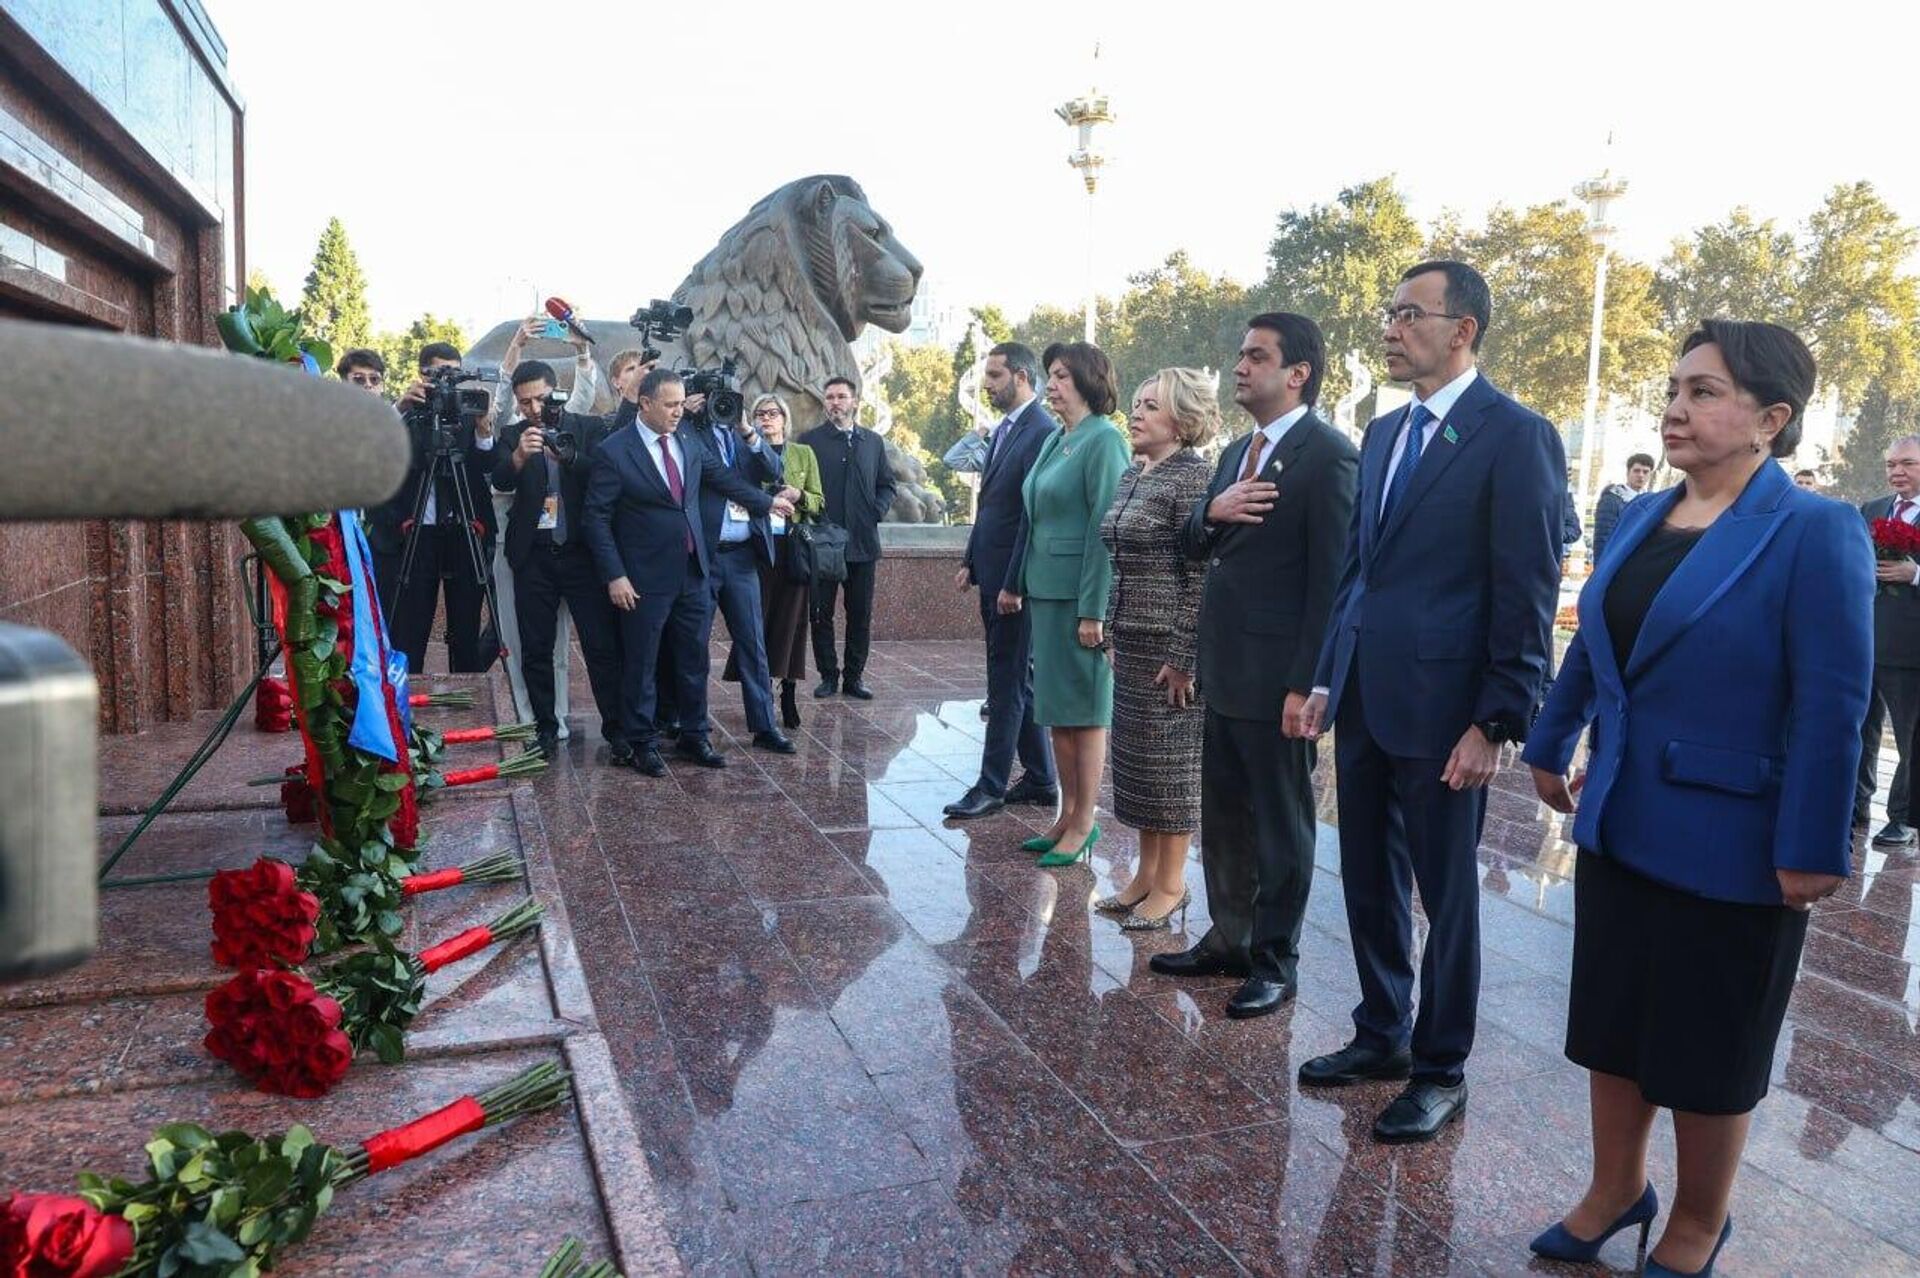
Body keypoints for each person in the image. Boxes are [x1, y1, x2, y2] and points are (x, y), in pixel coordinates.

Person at [1523, 320, 1867, 1278]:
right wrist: (1551, 742)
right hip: (1622, 819)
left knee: (1711, 1047)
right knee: (1613, 1024)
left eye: (1706, 391)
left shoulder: (1812, 529)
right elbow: (1593, 645)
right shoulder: (1640, 516)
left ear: (1771, 417)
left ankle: (1699, 1221)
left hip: (1740, 839)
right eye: (1675, 387)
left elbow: (1834, 703)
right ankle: (1614, 1192)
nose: (1677, 407)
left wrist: (1814, 844)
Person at [1297, 261, 1564, 1143]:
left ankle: (1441, 1065)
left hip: (1451, 712)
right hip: (1370, 696)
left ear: (1463, 330)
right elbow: (1357, 575)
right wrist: (1329, 676)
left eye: (1411, 313)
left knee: (1447, 894)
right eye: (1389, 311)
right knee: (1368, 876)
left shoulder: (1513, 434)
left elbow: (1525, 587)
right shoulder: (1380, 432)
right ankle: (1382, 1034)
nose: (1391, 326)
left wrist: (1498, 720)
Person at [1152, 315, 1358, 1018]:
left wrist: (1309, 683)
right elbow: (1191, 545)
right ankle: (1230, 937)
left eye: (1255, 356)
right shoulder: (1237, 450)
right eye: (1239, 354)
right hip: (1225, 667)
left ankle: (1276, 960)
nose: (1239, 367)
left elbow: (1332, 582)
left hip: (1280, 682)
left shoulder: (1329, 455)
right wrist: (1214, 508)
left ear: (1296, 372)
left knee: (1282, 823)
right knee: (1227, 817)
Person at [581, 368, 792, 776]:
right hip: (642, 580)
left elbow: (724, 479)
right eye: (671, 405)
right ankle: (642, 741)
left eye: (681, 403)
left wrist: (767, 503)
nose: (680, 412)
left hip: (695, 571)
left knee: (694, 659)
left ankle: (696, 734)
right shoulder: (615, 450)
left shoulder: (687, 441)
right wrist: (615, 575)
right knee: (641, 663)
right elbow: (596, 519)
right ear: (645, 404)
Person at [1091, 368, 1217, 929]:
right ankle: (1143, 875)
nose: (1135, 415)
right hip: (1132, 641)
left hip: (1172, 647)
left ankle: (1171, 883)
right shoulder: (1133, 473)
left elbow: (1201, 577)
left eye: (1150, 407)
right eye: (1136, 404)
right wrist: (1115, 633)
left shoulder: (1195, 478)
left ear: (1182, 421)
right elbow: (1120, 559)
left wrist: (1184, 656)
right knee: (1139, 766)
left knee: (1173, 770)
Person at [1014, 342, 1130, 867]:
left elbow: (1105, 530)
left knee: (1086, 714)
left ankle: (1086, 822)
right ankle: (1066, 815)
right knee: (1059, 715)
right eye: (1050, 376)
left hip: (1079, 599)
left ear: (1086, 379)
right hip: (1047, 589)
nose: (1051, 385)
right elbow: (1035, 513)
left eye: (1060, 375)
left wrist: (1095, 610)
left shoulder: (1104, 440)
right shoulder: (1059, 438)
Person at [488, 321, 620, 740]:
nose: (534, 409)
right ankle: (545, 725)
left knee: (600, 647)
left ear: (554, 392)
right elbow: (500, 482)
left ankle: (617, 730)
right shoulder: (511, 434)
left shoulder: (585, 427)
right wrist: (519, 460)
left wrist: (568, 458)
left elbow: (601, 474)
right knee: (536, 647)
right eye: (526, 402)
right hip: (534, 557)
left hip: (581, 553)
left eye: (541, 399)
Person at [944, 342, 1060, 820]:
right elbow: (991, 503)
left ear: (1021, 376)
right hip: (991, 571)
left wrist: (1014, 582)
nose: (987, 386)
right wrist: (971, 559)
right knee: (1017, 680)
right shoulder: (1006, 429)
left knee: (1006, 683)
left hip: (1015, 583)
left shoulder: (1042, 431)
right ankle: (1041, 778)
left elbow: (1031, 518)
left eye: (994, 377)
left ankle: (990, 785)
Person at [366, 341, 499, 677]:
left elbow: (487, 466)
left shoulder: (468, 412)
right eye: (439, 373)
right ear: (422, 374)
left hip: (464, 529)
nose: (447, 381)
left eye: (454, 373)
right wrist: (400, 407)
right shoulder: (408, 415)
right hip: (413, 534)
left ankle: (470, 688)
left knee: (466, 622)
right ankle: (407, 693)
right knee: (410, 624)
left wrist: (484, 430)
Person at [680, 393, 801, 754]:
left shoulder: (741, 436)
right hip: (703, 556)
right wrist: (688, 416)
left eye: (729, 402)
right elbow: (718, 480)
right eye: (718, 402)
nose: (723, 409)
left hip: (743, 557)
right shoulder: (690, 436)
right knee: (694, 648)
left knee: (753, 644)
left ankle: (764, 726)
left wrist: (747, 429)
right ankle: (694, 731)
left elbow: (774, 470)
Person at [723, 394, 824, 730]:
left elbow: (819, 501)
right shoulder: (744, 453)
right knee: (757, 620)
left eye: (773, 413)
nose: (767, 419)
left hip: (793, 548)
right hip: (757, 545)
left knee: (792, 623)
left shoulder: (803, 453)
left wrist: (799, 496)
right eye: (759, 414)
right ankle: (761, 691)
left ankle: (789, 691)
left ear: (784, 418)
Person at [801, 376, 895, 700]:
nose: (835, 403)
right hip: (825, 545)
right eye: (830, 397)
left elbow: (887, 485)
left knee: (860, 616)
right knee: (821, 614)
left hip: (863, 545)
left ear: (855, 401)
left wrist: (875, 511)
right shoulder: (809, 442)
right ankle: (828, 676)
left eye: (841, 397)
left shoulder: (872, 442)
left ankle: (854, 678)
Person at [1855, 435, 1920, 848]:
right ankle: (1856, 804)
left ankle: (1902, 819)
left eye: (1907, 464)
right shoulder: (1872, 509)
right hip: (1866, 639)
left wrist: (1914, 575)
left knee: (1910, 737)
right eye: (1891, 464)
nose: (1897, 471)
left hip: (1912, 647)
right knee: (1860, 729)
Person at [1593, 453, 1657, 561]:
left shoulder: (1652, 501)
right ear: (1628, 472)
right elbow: (1602, 538)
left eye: (1645, 472)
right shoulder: (1612, 499)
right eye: (1636, 471)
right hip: (1615, 559)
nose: (1641, 475)